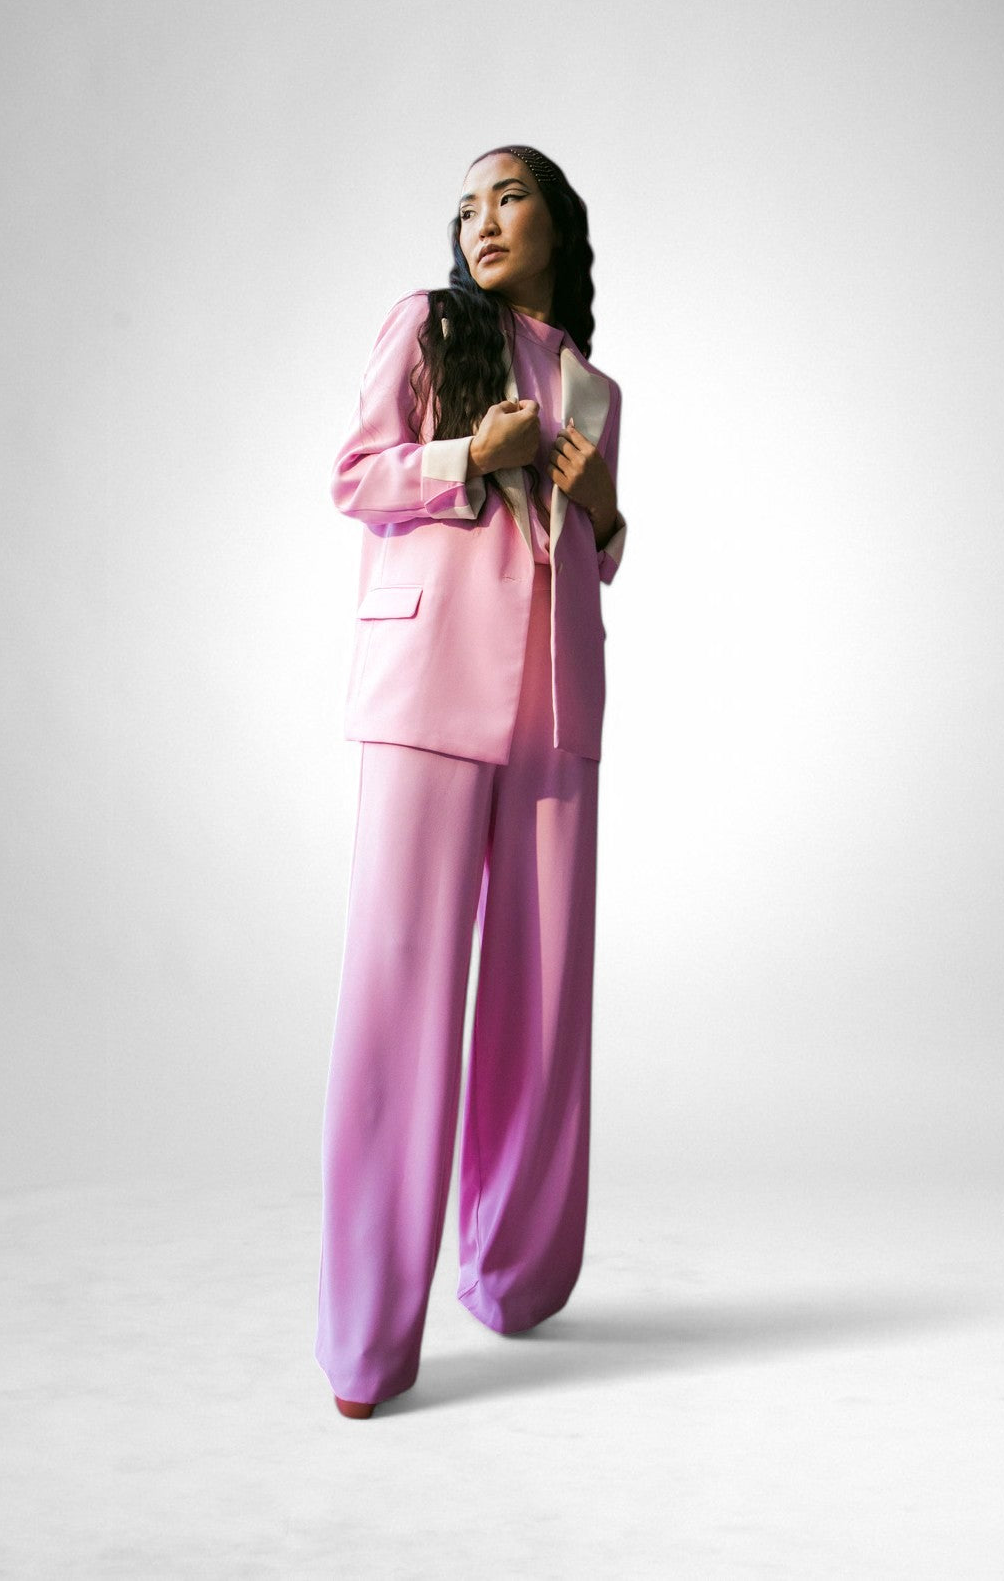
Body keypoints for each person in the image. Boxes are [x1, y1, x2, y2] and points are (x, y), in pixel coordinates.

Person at [314, 145, 627, 1419]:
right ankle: (365, 1342)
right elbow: (353, 476)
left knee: (542, 999)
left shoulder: (597, 386)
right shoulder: (429, 324)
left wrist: (605, 508)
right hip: (429, 687)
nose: (480, 219)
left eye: (507, 196)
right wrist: (460, 454)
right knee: (401, 996)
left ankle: (515, 1273)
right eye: (465, 205)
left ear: (558, 221)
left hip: (555, 702)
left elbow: (595, 549)